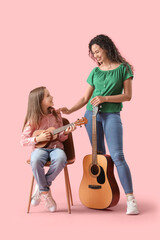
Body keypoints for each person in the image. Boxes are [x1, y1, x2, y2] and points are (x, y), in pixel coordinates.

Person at [60, 34, 139, 215]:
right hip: (91, 115)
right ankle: (102, 195)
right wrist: (70, 110)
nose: (95, 56)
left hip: (111, 115)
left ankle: (130, 199)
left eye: (97, 51)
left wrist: (105, 98)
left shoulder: (124, 69)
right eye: (93, 53)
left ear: (106, 47)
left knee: (118, 156)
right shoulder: (95, 72)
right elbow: (85, 98)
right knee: (99, 156)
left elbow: (127, 96)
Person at [21, 86, 76, 212]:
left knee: (62, 159)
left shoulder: (57, 114)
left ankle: (41, 187)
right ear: (39, 101)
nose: (52, 97)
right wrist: (37, 139)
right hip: (39, 149)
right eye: (48, 95)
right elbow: (23, 140)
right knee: (35, 161)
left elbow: (61, 138)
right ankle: (46, 192)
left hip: (56, 147)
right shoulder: (33, 118)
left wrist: (66, 133)